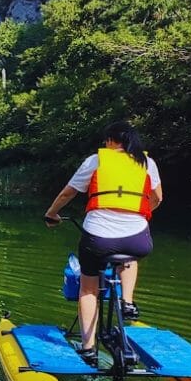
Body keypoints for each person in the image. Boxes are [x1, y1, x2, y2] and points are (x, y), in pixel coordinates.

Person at [44, 121, 163, 366]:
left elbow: (68, 193)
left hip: (97, 239)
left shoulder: (95, 161)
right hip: (137, 239)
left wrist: (51, 214)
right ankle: (127, 303)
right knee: (129, 257)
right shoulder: (147, 163)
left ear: (110, 141)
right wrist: (141, 214)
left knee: (88, 289)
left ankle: (88, 349)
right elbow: (157, 197)